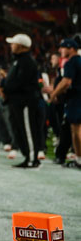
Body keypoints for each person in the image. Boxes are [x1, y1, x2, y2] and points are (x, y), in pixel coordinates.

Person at [3, 34, 46, 168]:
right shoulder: (19, 60)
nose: (11, 46)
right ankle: (28, 157)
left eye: (14, 43)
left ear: (22, 47)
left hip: (26, 103)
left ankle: (33, 159)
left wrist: (7, 88)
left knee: (29, 130)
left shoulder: (27, 62)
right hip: (18, 102)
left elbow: (20, 82)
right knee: (22, 130)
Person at [50, 38, 81, 168]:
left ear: (71, 48)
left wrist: (54, 94)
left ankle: (79, 160)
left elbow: (66, 82)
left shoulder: (71, 62)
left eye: (63, 47)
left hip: (76, 98)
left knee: (76, 130)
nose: (60, 50)